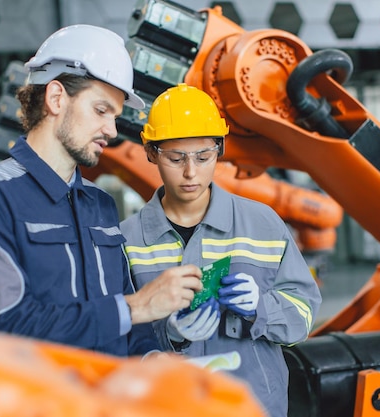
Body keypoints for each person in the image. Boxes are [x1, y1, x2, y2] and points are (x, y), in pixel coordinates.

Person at [0, 25, 205, 357]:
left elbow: (128, 320)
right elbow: (9, 326)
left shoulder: (101, 205)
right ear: (56, 98)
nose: (111, 131)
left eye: (115, 116)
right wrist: (136, 307)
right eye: (100, 111)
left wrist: (151, 356)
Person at [120, 83, 322, 416]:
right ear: (151, 152)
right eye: (176, 158)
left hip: (253, 406)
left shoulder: (263, 224)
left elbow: (303, 315)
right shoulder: (127, 240)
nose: (191, 172)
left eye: (203, 157)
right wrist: (165, 331)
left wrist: (261, 308)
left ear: (221, 148)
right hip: (165, 407)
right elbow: (114, 333)